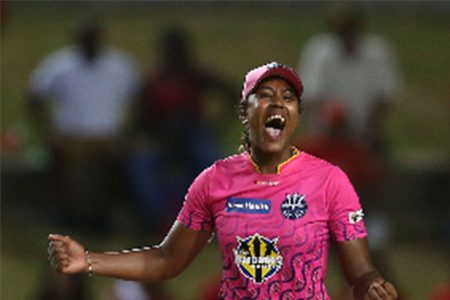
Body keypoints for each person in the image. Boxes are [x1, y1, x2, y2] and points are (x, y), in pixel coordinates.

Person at [48, 62, 398, 299]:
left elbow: (359, 270)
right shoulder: (215, 182)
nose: (276, 106)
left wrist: (373, 286)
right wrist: (89, 261)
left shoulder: (329, 181)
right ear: (244, 113)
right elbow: (168, 259)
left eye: (287, 98)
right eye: (264, 97)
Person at [27, 20, 139, 232]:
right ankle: (67, 216)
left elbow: (139, 100)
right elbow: (35, 98)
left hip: (108, 136)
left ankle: (103, 217)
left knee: (119, 161)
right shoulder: (59, 65)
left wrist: (129, 132)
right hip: (70, 135)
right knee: (58, 160)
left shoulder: (119, 64)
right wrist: (47, 131)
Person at [127, 26, 236, 231]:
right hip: (161, 137)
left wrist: (218, 125)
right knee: (143, 167)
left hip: (193, 134)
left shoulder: (195, 75)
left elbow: (232, 93)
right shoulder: (152, 80)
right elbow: (138, 119)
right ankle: (158, 218)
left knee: (214, 166)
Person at [297, 3, 402, 156]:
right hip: (327, 135)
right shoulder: (319, 52)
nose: (347, 32)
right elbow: (311, 97)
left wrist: (368, 129)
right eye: (342, 27)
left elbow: (385, 97)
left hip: (366, 136)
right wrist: (336, 123)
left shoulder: (377, 53)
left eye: (350, 26)